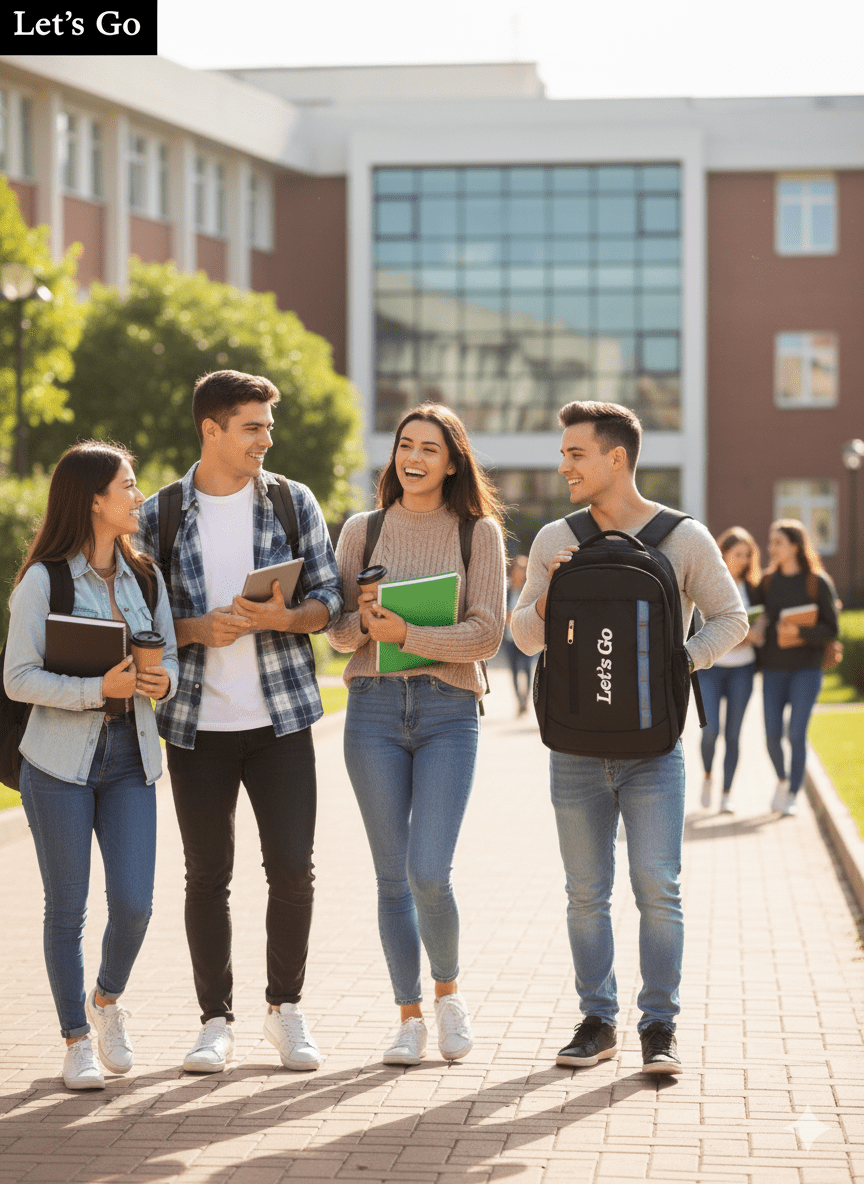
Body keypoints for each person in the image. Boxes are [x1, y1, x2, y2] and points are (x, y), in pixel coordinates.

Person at [511, 401, 747, 1075]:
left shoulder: (684, 538)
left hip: (654, 751)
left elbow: (732, 619)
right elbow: (523, 636)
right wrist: (551, 598)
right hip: (574, 748)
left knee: (657, 887)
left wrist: (682, 662)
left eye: (575, 454)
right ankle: (597, 1021)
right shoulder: (559, 536)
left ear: (617, 458)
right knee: (585, 892)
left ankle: (660, 1026)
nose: (563, 466)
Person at [135, 370, 342, 1075]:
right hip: (196, 728)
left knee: (292, 868)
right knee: (206, 876)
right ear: (212, 429)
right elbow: (138, 624)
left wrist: (288, 618)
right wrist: (196, 629)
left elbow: (330, 602)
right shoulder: (159, 515)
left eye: (267, 427)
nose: (266, 439)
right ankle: (214, 1021)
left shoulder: (292, 502)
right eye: (252, 426)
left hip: (281, 720)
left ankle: (285, 1009)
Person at [327, 403, 506, 1065]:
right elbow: (338, 634)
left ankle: (448, 993)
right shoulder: (361, 530)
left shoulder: (476, 534)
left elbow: (488, 633)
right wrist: (363, 622)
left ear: (452, 461)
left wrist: (411, 635)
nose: (415, 457)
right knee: (391, 878)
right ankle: (408, 1017)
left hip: (446, 713)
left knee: (429, 870)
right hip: (372, 709)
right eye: (407, 444)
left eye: (430, 448)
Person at [4, 441, 178, 1090]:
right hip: (57, 767)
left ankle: (105, 1002)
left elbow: (170, 664)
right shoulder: (43, 581)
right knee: (66, 910)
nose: (138, 497)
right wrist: (93, 691)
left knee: (134, 905)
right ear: (93, 500)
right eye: (127, 487)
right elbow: (18, 678)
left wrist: (161, 684)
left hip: (131, 759)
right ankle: (75, 1039)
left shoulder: (145, 577)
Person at [757, 519, 839, 818]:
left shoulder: (817, 582)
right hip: (773, 670)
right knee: (770, 734)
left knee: (795, 734)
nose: (771, 548)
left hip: (806, 670)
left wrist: (798, 632)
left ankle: (793, 794)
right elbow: (753, 619)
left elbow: (832, 628)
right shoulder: (767, 582)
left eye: (777, 542)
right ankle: (782, 779)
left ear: (794, 546)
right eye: (771, 542)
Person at [699, 527, 763, 814]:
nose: (743, 560)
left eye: (747, 556)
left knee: (734, 734)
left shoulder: (755, 588)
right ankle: (709, 777)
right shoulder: (707, 583)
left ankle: (727, 793)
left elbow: (760, 630)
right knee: (711, 731)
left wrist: (750, 634)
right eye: (737, 554)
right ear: (722, 553)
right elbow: (701, 627)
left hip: (743, 670)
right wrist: (733, 634)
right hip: (711, 669)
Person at [504, 555, 534, 715]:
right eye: (518, 569)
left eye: (523, 569)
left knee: (527, 669)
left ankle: (526, 699)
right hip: (510, 638)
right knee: (514, 670)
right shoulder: (506, 591)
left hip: (526, 637)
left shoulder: (529, 590)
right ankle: (519, 700)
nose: (520, 572)